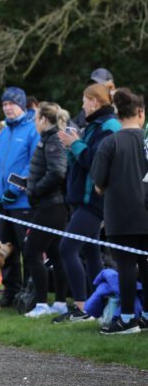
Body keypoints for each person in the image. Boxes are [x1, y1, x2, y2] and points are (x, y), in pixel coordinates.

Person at [54, 84, 120, 323]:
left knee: (67, 248)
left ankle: (82, 306)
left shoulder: (109, 126)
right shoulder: (94, 126)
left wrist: (76, 144)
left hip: (93, 201)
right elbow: (82, 160)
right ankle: (95, 306)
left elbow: (96, 161)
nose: (82, 106)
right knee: (92, 253)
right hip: (82, 199)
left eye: (84, 101)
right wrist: (72, 146)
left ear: (94, 102)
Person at [90, 88, 148, 334]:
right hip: (146, 213)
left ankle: (126, 319)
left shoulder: (110, 142)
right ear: (140, 112)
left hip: (120, 215)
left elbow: (98, 184)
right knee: (146, 264)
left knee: (125, 265)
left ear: (117, 113)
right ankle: (145, 315)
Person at [0, 87, 40, 307]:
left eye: (12, 104)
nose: (8, 108)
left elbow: (33, 163)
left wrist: (14, 190)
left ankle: (31, 291)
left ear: (22, 105)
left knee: (28, 250)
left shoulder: (31, 130)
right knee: (6, 249)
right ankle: (11, 291)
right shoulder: (5, 131)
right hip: (3, 203)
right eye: (4, 104)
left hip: (22, 201)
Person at [22, 103, 70, 318]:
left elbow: (57, 172)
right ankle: (59, 302)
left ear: (43, 119)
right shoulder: (47, 139)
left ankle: (42, 304)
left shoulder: (53, 140)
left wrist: (35, 190)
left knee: (32, 253)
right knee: (55, 254)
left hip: (51, 206)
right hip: (51, 205)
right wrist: (30, 183)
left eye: (35, 119)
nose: (34, 123)